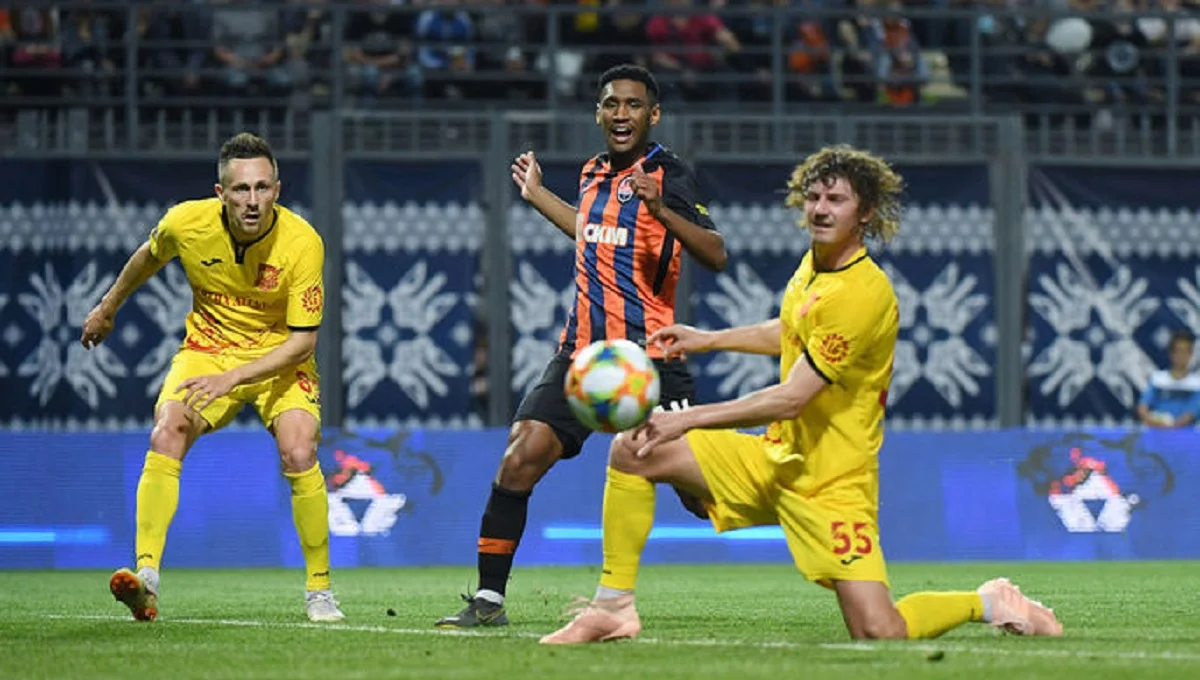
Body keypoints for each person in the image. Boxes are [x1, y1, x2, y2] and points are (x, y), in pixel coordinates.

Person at [540, 145, 1063, 644]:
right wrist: (707, 339)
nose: (820, 209)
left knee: (880, 631)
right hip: (774, 458)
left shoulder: (863, 293)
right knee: (633, 449)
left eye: (836, 199)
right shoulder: (814, 266)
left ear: (865, 212)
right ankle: (612, 608)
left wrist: (688, 418)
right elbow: (791, 331)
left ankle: (988, 601)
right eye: (813, 197)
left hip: (833, 481)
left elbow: (792, 397)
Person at [435, 64, 728, 628]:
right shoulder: (592, 171)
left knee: (699, 495)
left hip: (650, 359)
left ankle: (800, 514)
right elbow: (590, 232)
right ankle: (488, 601)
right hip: (583, 355)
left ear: (653, 115)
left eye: (633, 105)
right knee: (521, 455)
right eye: (611, 104)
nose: (621, 114)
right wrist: (537, 194)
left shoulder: (668, 174)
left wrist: (662, 209)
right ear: (598, 113)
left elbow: (715, 254)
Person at [80, 132, 344, 624]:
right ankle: (147, 578)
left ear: (277, 190)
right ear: (221, 193)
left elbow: (303, 343)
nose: (252, 200)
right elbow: (148, 256)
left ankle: (320, 591)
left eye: (262, 188)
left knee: (299, 450)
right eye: (241, 189)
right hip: (209, 351)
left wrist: (235, 378)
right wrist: (107, 307)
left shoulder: (303, 242)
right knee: (167, 429)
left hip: (279, 359)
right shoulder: (186, 223)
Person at [1136, 329, 1200, 428]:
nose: (1181, 355)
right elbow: (1142, 407)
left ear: (1190, 355)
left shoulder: (1197, 384)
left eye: (1185, 351)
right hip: (1157, 432)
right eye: (1178, 351)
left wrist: (1172, 426)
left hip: (1186, 435)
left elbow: (1191, 413)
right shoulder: (1157, 379)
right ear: (1171, 353)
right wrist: (1152, 420)